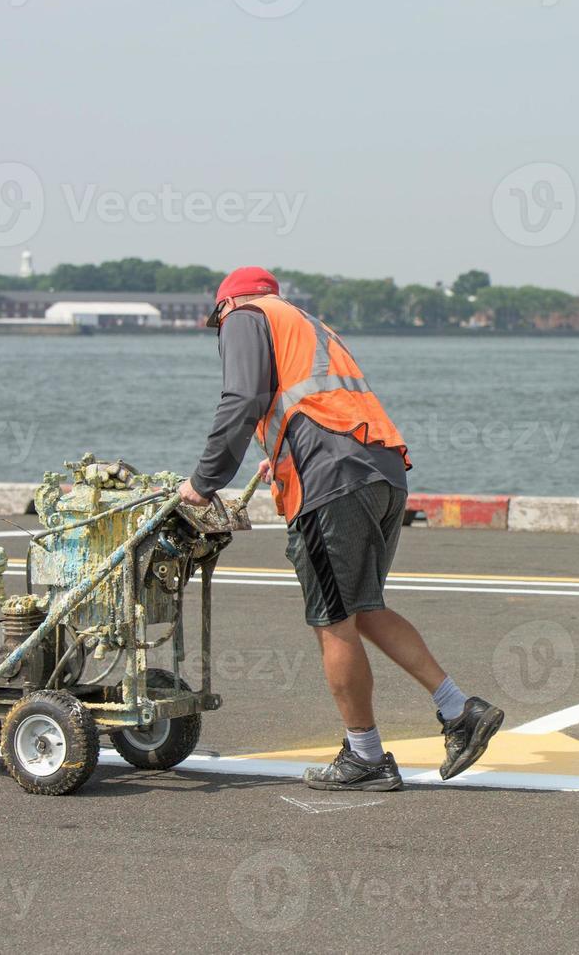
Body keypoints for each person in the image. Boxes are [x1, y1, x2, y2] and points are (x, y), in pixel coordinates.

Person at [177, 266, 504, 791]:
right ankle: (459, 710)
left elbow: (241, 399)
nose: (221, 333)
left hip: (332, 480)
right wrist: (281, 453)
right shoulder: (307, 322)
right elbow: (316, 402)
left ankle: (365, 755)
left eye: (217, 323)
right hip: (380, 469)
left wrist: (203, 482)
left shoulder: (245, 315)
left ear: (226, 305)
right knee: (363, 606)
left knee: (333, 620)